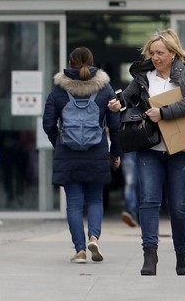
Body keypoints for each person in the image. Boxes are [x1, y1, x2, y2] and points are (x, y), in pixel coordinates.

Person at [107, 28, 185, 276]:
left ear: (173, 53)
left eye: (160, 53)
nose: (155, 57)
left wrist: (163, 112)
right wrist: (118, 103)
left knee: (177, 205)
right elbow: (128, 98)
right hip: (150, 149)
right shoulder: (144, 77)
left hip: (181, 150)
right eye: (152, 53)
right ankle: (149, 255)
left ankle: (181, 252)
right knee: (149, 201)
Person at [42, 47, 122, 264]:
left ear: (70, 63)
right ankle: (93, 237)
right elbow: (115, 125)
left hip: (68, 154)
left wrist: (59, 143)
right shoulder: (105, 89)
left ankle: (80, 250)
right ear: (92, 62)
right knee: (95, 199)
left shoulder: (58, 89)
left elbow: (48, 123)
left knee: (74, 204)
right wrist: (115, 153)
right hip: (97, 152)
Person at [121, 150, 140, 227]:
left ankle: (134, 213)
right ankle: (131, 212)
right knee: (131, 183)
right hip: (130, 150)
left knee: (131, 184)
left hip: (131, 151)